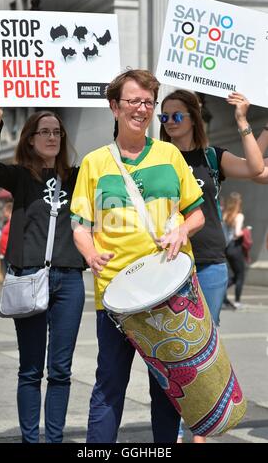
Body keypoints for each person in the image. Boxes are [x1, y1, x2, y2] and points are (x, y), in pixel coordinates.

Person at [70, 69, 205, 443]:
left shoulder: (171, 155)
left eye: (148, 102)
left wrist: (182, 229)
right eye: (134, 101)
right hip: (116, 295)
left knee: (168, 390)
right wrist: (91, 254)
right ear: (114, 107)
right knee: (110, 385)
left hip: (170, 292)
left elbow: (197, 212)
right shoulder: (96, 163)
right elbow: (79, 224)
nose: (142, 109)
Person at [158, 89, 264, 443]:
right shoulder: (155, 157)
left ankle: (199, 431)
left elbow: (255, 168)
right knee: (172, 349)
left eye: (176, 116)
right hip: (167, 263)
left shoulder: (211, 156)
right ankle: (169, 432)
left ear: (193, 117)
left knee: (204, 348)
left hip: (210, 263)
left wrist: (242, 121)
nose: (169, 123)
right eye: (164, 117)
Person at [0, 94, 86, 443]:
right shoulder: (21, 177)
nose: (52, 137)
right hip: (28, 278)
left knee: (61, 370)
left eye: (57, 131)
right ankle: (31, 440)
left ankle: (53, 439)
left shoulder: (78, 176)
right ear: (30, 138)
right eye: (44, 131)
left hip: (69, 279)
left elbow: (113, 162)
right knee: (30, 370)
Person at [222, 192, 246, 309]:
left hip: (227, 249)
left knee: (235, 274)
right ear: (238, 203)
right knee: (240, 275)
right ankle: (237, 301)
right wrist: (245, 231)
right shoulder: (239, 216)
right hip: (236, 247)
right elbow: (237, 233)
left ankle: (222, 290)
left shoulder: (225, 214)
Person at [0, 201, 13, 275]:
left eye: (4, 211)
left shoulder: (12, 221)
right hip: (6, 253)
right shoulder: (8, 222)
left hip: (9, 254)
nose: (3, 213)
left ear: (8, 210)